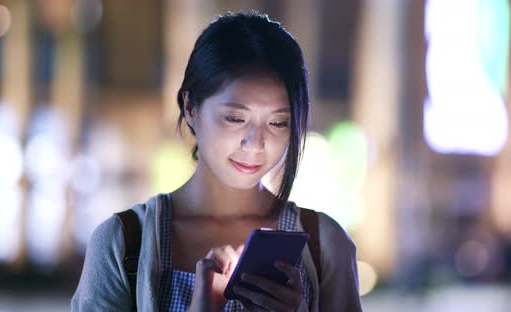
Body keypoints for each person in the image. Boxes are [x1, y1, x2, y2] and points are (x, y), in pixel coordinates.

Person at [71, 12, 361, 311]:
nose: (256, 143)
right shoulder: (124, 242)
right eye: (235, 118)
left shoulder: (324, 246)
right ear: (190, 106)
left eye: (278, 123)